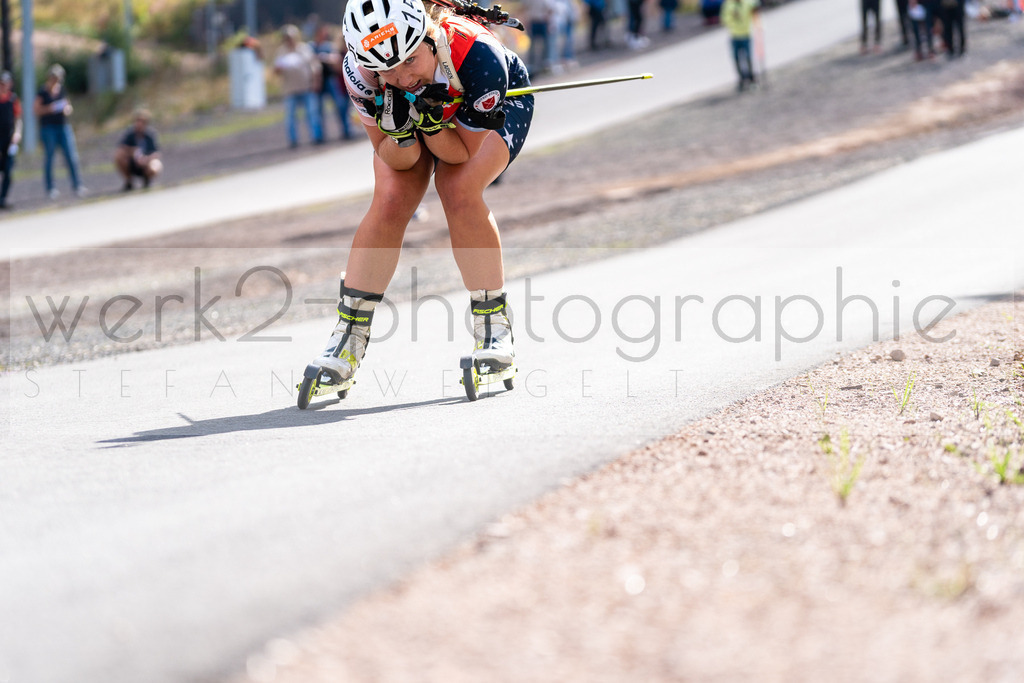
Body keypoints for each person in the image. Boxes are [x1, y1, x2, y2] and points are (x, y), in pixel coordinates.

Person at [308, 0, 534, 389]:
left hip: (486, 100)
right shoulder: (360, 72)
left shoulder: (478, 54)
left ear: (430, 37)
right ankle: (348, 339)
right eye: (387, 70)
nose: (401, 77)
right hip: (420, 119)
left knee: (457, 187)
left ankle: (494, 330)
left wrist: (429, 125)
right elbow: (395, 159)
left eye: (410, 60)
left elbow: (460, 152)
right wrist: (399, 133)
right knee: (392, 198)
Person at [34, 64, 87, 199]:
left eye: (58, 78)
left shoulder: (61, 90)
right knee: (50, 158)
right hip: (48, 128)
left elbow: (68, 105)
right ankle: (50, 188)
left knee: (71, 156)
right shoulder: (42, 92)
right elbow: (36, 110)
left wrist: (67, 109)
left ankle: (77, 185)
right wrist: (50, 108)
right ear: (50, 77)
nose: (56, 80)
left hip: (63, 126)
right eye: (54, 78)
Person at [273, 24, 324, 148]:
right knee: (290, 117)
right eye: (286, 37)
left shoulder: (304, 48)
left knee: (312, 114)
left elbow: (315, 66)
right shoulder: (281, 51)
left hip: (306, 86)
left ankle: (316, 137)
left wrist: (316, 81)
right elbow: (276, 70)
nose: (288, 40)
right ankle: (293, 141)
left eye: (290, 37)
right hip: (290, 89)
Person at [310, 24, 355, 141]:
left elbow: (335, 59)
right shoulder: (311, 46)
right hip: (317, 82)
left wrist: (322, 58)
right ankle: (319, 136)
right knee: (317, 111)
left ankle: (346, 130)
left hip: (330, 79)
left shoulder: (328, 46)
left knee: (340, 106)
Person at [114, 108, 162, 191]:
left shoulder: (150, 135)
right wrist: (133, 152)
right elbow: (121, 148)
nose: (139, 124)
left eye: (142, 122)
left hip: (146, 163)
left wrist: (146, 159)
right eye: (137, 121)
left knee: (156, 164)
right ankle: (129, 181)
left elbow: (156, 153)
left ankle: (147, 179)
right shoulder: (130, 134)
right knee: (118, 156)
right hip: (132, 162)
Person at [722, 0, 761, 91]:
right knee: (736, 59)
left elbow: (755, 6)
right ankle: (741, 79)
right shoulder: (728, 4)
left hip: (746, 34)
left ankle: (752, 79)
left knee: (748, 58)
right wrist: (733, 17)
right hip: (734, 35)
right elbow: (724, 18)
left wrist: (756, 18)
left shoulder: (747, 3)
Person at [0, 71, 22, 210]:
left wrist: (18, 133)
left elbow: (18, 119)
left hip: (9, 141)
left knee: (8, 171)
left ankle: (2, 199)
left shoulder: (13, 99)